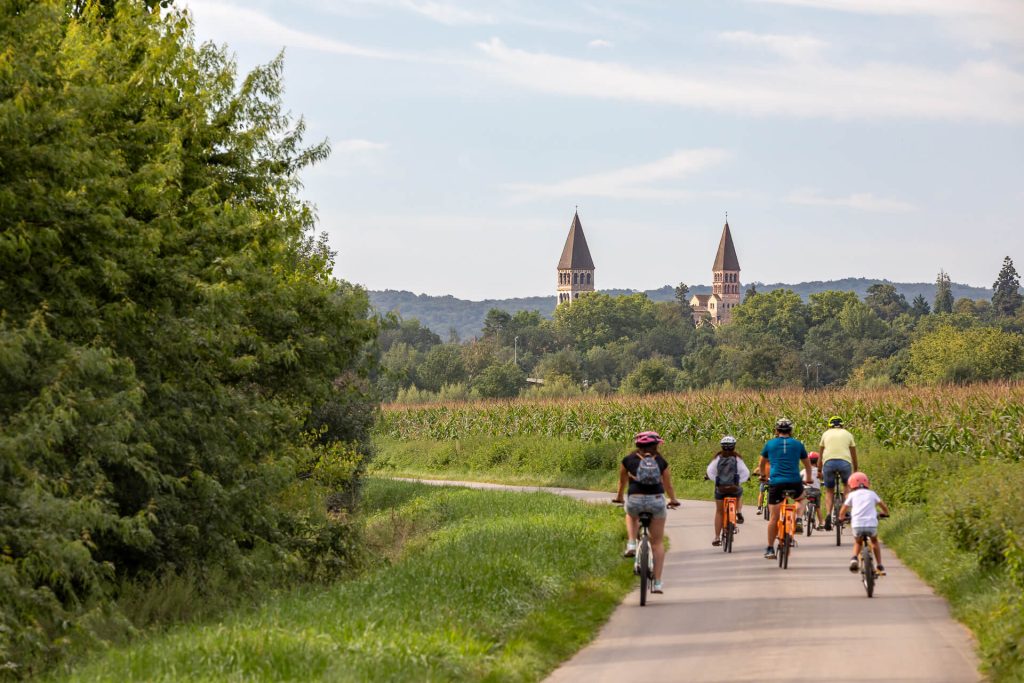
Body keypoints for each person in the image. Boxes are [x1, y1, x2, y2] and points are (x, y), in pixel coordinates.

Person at [612, 431, 681, 594]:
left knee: (630, 514)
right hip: (656, 501)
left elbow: (622, 482)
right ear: (656, 445)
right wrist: (673, 499)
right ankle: (657, 583)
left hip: (635, 499)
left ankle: (631, 543)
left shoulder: (628, 460)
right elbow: (668, 485)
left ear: (638, 445)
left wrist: (619, 497)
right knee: (657, 543)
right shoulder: (661, 462)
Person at [758, 417, 812, 559]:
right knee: (801, 499)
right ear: (791, 431)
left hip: (776, 483)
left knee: (774, 518)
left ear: (776, 431)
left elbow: (762, 463)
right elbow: (807, 465)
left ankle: (770, 548)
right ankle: (799, 519)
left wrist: (763, 476)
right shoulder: (798, 444)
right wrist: (809, 478)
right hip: (794, 481)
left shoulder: (770, 444)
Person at [839, 472, 890, 574]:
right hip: (871, 524)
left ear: (851, 484)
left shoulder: (851, 495)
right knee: (874, 541)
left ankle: (854, 558)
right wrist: (885, 513)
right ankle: (879, 565)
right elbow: (883, 505)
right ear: (867, 483)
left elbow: (843, 510)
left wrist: (841, 518)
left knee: (858, 542)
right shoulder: (872, 494)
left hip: (857, 524)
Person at [707, 435, 750, 546]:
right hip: (734, 489)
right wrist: (739, 482)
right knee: (740, 491)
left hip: (720, 490)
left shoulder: (718, 458)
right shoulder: (737, 458)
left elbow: (710, 471)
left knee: (719, 512)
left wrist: (716, 480)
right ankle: (738, 512)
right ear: (733, 447)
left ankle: (717, 537)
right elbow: (745, 472)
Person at [818, 415, 858, 530]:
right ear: (842, 425)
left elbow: (820, 454)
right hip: (844, 463)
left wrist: (820, 470)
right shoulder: (848, 434)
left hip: (829, 463)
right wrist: (855, 469)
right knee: (846, 485)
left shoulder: (825, 434)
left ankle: (828, 515)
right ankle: (845, 512)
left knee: (829, 491)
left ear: (830, 425)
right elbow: (853, 454)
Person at [800, 452, 825, 530]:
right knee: (818, 508)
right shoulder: (819, 471)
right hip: (816, 491)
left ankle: (799, 520)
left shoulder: (804, 470)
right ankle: (821, 523)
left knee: (802, 503)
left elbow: (799, 478)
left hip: (806, 490)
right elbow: (823, 478)